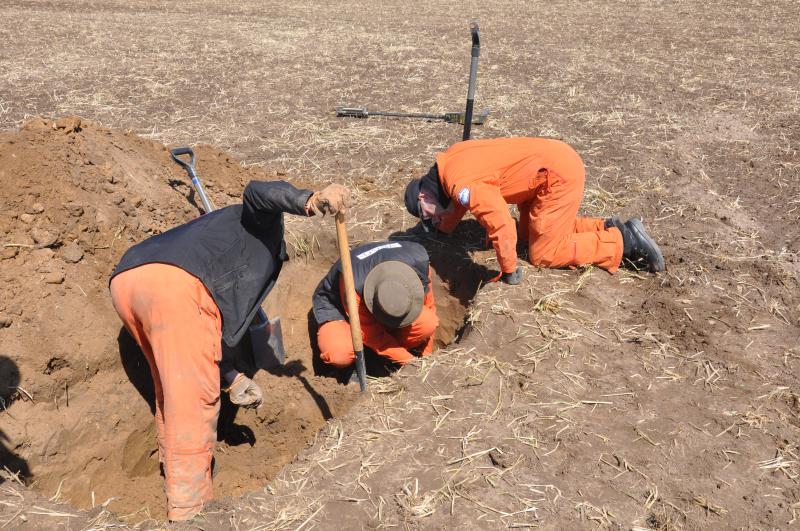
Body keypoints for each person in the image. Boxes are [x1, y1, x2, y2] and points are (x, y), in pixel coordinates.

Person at [109, 180, 350, 521]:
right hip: (175, 289)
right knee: (194, 401)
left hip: (129, 280)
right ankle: (190, 513)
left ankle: (173, 469)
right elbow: (256, 191)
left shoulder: (214, 240)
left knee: (172, 389)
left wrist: (233, 378)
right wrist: (309, 200)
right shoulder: (259, 223)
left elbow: (203, 336)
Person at [404, 137, 664, 284]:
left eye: (428, 214)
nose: (432, 218)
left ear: (425, 194)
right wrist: (442, 230)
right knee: (530, 235)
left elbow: (501, 222)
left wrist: (508, 270)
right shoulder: (450, 163)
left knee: (544, 253)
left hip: (556, 176)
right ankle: (607, 228)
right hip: (542, 172)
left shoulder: (460, 183)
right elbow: (457, 202)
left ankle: (623, 243)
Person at [312, 240, 439, 368]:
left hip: (376, 310)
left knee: (427, 322)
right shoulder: (352, 284)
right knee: (339, 353)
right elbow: (371, 335)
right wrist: (412, 363)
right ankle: (359, 363)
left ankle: (392, 353)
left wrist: (426, 357)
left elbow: (430, 307)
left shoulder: (419, 262)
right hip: (341, 311)